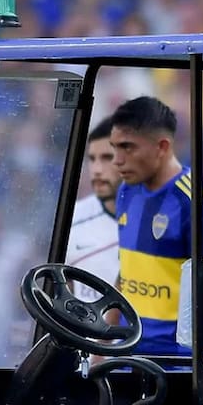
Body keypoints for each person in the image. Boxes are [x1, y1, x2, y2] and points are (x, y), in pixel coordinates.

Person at [110, 96, 203, 356]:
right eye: (115, 147)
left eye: (128, 147)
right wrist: (103, 345)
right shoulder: (127, 191)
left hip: (178, 364)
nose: (117, 160)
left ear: (162, 147)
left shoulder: (199, 205)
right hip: (127, 354)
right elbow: (127, 272)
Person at [66, 117, 122, 303]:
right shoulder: (73, 219)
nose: (97, 169)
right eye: (92, 159)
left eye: (107, 158)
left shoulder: (163, 222)